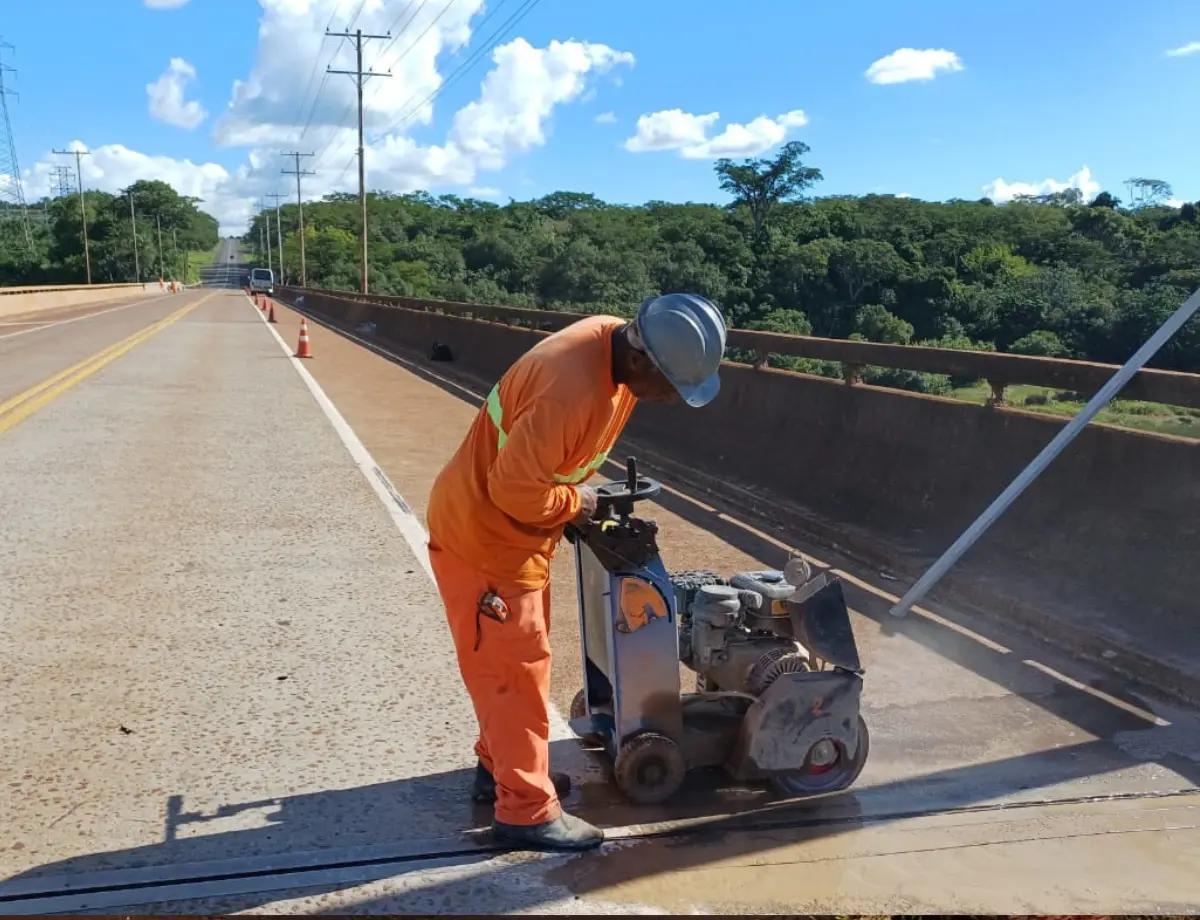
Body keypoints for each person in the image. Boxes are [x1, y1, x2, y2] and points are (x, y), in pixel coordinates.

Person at [425, 293, 727, 851]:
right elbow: (514, 489)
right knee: (515, 675)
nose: (670, 401)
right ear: (642, 359)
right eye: (671, 387)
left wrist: (568, 501)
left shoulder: (613, 346)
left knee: (514, 668)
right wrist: (576, 504)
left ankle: (504, 772)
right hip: (487, 541)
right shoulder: (570, 388)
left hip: (513, 539)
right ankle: (526, 812)